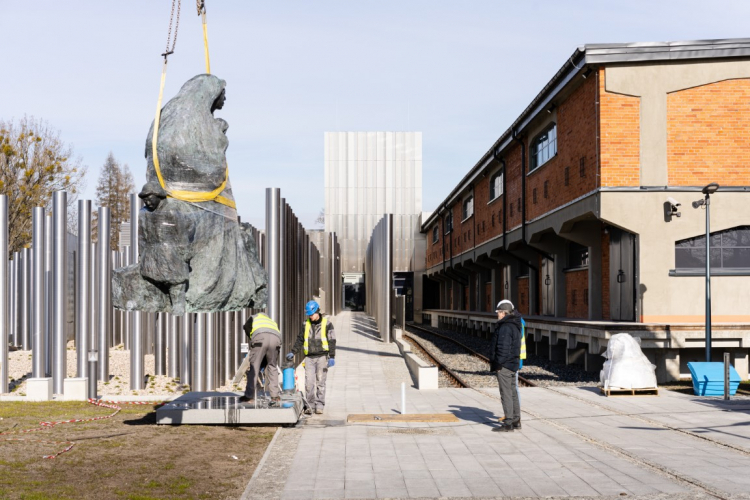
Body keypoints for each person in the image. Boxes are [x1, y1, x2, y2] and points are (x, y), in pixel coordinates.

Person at [287, 301, 336, 415]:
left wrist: (332, 356)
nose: (310, 316)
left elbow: (332, 341)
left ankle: (319, 405)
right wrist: (293, 352)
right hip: (309, 357)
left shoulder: (327, 324)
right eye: (308, 314)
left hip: (322, 357)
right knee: (309, 383)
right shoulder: (305, 324)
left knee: (320, 382)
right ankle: (310, 405)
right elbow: (300, 339)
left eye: (311, 314)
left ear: (317, 312)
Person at [490, 299, 522, 432]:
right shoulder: (515, 324)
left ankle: (508, 423)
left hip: (505, 365)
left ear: (503, 313)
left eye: (498, 312)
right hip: (513, 363)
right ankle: (516, 420)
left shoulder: (505, 327)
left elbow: (503, 347)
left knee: (506, 393)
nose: (497, 315)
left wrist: (498, 364)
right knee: (513, 392)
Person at [240, 313, 281, 405]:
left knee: (254, 367)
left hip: (260, 338)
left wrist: (252, 340)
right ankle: (275, 396)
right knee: (272, 366)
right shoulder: (271, 321)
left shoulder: (253, 318)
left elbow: (246, 327)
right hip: (276, 340)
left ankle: (249, 396)